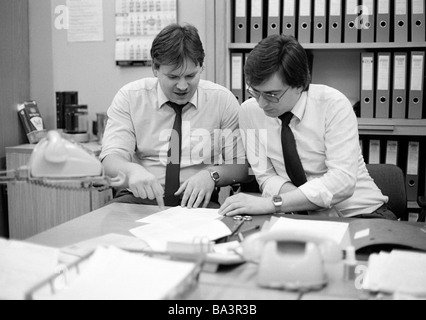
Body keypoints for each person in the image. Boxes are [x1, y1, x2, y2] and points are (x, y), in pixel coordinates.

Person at [219, 34, 392, 219]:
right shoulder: (249, 112)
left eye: (271, 94)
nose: (261, 103)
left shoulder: (333, 105)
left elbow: (342, 181)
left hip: (361, 213)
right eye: (255, 92)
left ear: (300, 85)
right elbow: (266, 176)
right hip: (297, 214)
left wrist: (273, 203)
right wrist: (311, 206)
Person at [100, 23, 248, 209]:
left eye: (190, 76)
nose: (183, 86)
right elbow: (111, 160)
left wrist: (211, 175)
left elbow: (240, 168)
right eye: (173, 77)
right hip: (138, 198)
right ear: (155, 68)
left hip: (196, 202)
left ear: (201, 66)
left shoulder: (222, 100)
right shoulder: (130, 97)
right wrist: (132, 172)